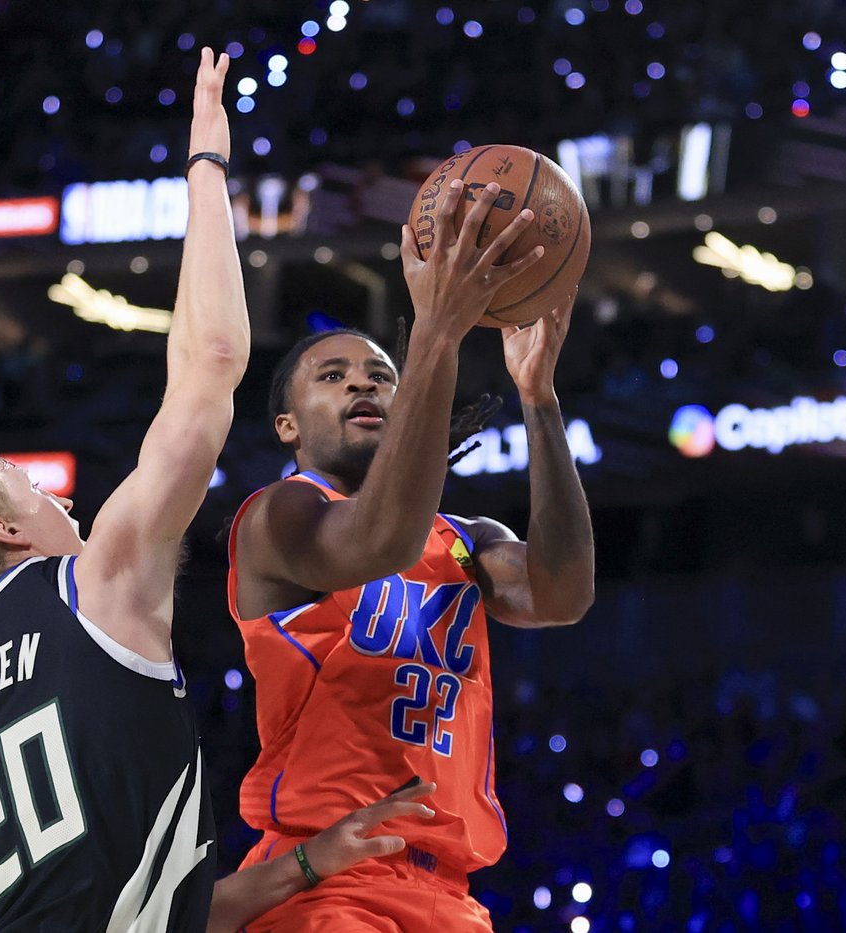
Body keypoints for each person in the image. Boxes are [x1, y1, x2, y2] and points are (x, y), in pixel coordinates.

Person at [0, 49, 436, 933]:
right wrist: (206, 167)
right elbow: (212, 363)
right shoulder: (89, 589)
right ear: (5, 528)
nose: (63, 503)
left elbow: (147, 910)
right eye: (30, 487)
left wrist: (307, 862)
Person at [227, 180, 597, 930]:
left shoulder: (467, 539)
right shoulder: (279, 515)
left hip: (451, 896)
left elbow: (564, 596)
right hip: (325, 881)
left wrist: (540, 400)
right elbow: (379, 541)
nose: (362, 382)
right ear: (288, 425)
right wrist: (437, 330)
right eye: (332, 376)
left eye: (381, 376)